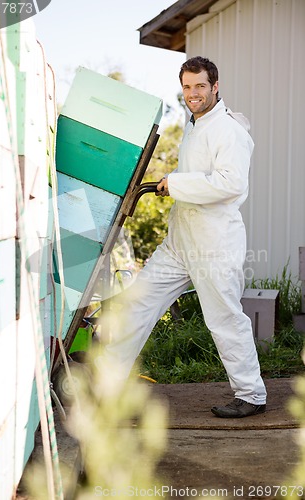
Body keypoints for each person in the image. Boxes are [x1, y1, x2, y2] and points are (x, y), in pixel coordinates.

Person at [97, 56, 267, 418]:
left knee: (224, 319)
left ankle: (251, 395)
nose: (193, 93)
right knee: (138, 304)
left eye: (200, 86)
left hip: (213, 243)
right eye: (187, 86)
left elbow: (230, 183)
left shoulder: (230, 130)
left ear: (215, 86)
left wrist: (175, 183)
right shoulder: (195, 124)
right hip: (180, 242)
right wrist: (172, 181)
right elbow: (196, 174)